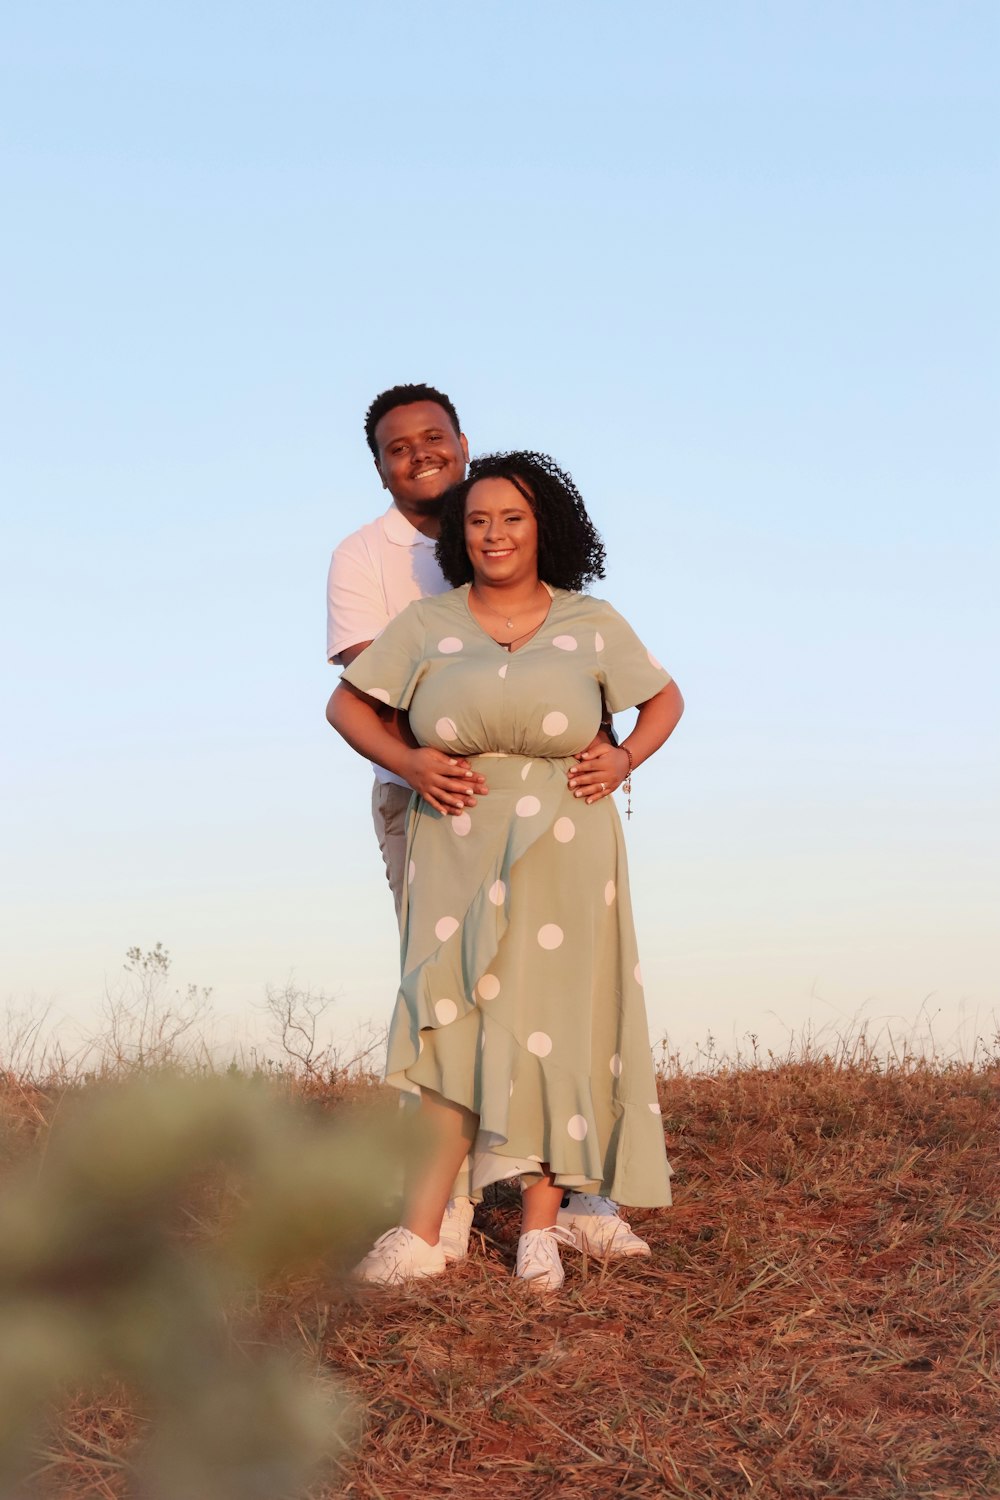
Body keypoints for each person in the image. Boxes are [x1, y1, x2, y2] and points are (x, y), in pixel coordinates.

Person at [328, 451, 684, 1289]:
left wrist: (625, 757)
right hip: (453, 838)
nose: (494, 534)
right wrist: (409, 763)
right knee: (447, 1021)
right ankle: (420, 1232)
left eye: (512, 518)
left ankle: (542, 1227)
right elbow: (347, 702)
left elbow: (664, 696)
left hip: (569, 839)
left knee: (555, 1021)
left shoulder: (590, 620)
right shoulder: (427, 624)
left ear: (543, 529)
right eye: (479, 520)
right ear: (461, 535)